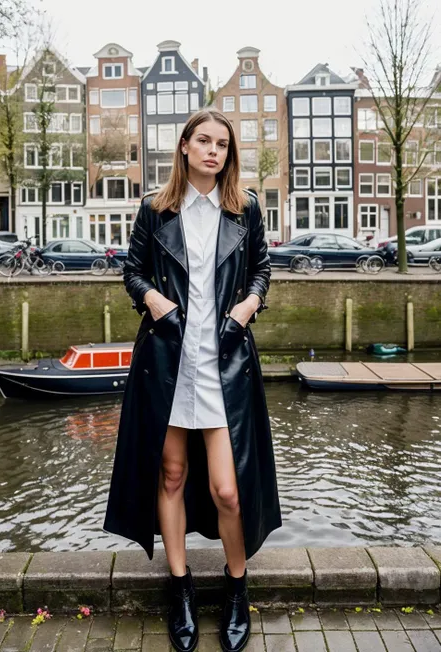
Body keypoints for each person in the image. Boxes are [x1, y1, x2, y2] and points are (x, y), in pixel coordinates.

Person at [104, 108, 282, 652]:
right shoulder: (153, 210)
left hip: (223, 360)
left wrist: (247, 308)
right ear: (183, 147)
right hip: (167, 360)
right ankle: (180, 588)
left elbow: (261, 269)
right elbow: (131, 271)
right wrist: (153, 299)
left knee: (228, 491)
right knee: (173, 475)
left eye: (222, 145)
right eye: (202, 141)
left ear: (229, 155)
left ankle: (235, 588)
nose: (212, 151)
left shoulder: (244, 209)